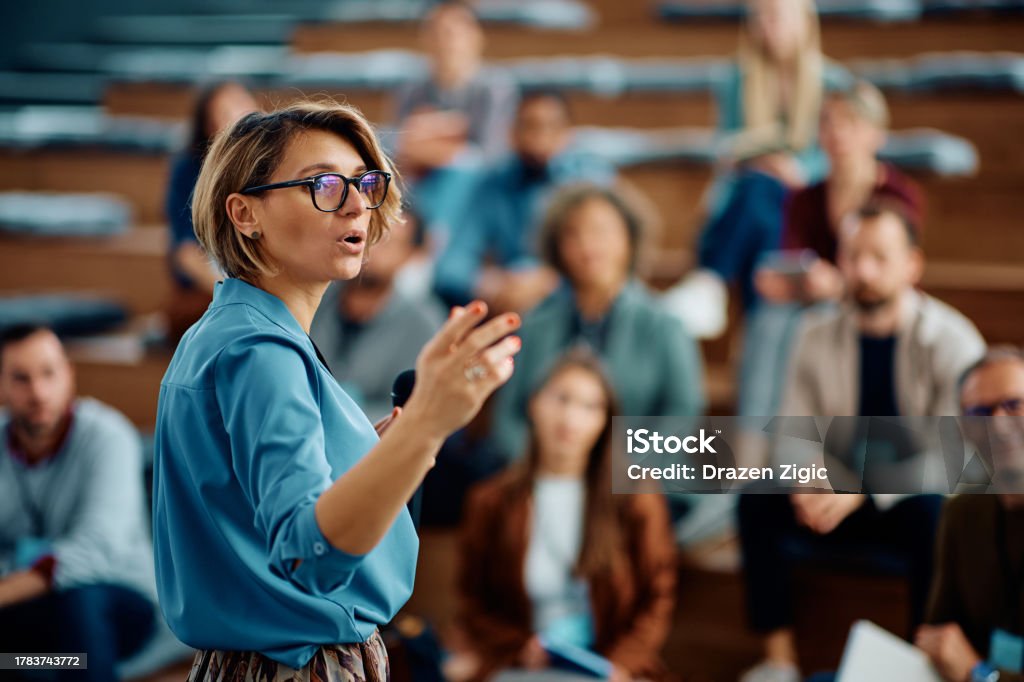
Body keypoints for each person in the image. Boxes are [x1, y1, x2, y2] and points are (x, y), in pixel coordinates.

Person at [152, 101, 523, 680]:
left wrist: (395, 445)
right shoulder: (260, 352)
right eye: (323, 184)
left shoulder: (234, 330)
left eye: (364, 182)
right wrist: (426, 422)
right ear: (245, 212)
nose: (356, 204)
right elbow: (310, 555)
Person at [736, 200, 987, 682]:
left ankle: (922, 664)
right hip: (831, 498)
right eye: (853, 256)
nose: (864, 270)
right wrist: (812, 474)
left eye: (880, 256)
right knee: (756, 496)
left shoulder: (951, 339)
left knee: (937, 513)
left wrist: (866, 485)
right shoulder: (813, 332)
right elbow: (789, 431)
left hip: (906, 502)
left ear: (912, 264)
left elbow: (960, 454)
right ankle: (779, 659)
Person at [457, 350, 676, 682]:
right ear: (534, 403)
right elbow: (474, 602)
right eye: (561, 399)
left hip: (610, 668)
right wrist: (518, 648)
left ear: (605, 420)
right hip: (523, 665)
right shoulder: (492, 501)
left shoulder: (635, 497)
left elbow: (656, 597)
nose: (571, 417)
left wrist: (622, 665)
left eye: (590, 407)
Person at [740, 81, 924, 416]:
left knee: (812, 323)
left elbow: (898, 274)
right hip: (812, 300)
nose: (837, 132)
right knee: (768, 319)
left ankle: (802, 438)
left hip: (867, 299)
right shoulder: (806, 197)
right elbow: (793, 257)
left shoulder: (899, 196)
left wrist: (839, 284)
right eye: (827, 121)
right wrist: (780, 279)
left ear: (876, 134)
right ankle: (754, 444)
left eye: (850, 122)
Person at [491, 183, 705, 463]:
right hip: (541, 481)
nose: (587, 245)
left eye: (600, 231)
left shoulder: (664, 324)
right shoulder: (534, 325)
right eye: (572, 233)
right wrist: (541, 469)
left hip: (636, 484)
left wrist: (618, 475)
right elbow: (507, 418)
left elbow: (683, 413)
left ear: (629, 238)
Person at [0, 324, 157, 682]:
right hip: (33, 606)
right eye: (21, 378)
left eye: (48, 374)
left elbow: (96, 550)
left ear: (69, 374)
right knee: (19, 661)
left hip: (115, 599)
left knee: (79, 599)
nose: (38, 392)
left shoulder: (109, 436)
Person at [696, 0, 851, 311]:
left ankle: (713, 280)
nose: (768, 26)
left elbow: (838, 152)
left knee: (765, 203)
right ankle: (754, 303)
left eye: (777, 17)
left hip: (806, 196)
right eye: (760, 18)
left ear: (804, 21)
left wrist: (797, 170)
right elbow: (725, 148)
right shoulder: (735, 80)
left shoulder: (832, 83)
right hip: (750, 191)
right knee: (762, 196)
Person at [433, 90, 615, 312]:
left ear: (568, 134)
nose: (539, 137)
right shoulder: (493, 184)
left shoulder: (588, 182)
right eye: (528, 126)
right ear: (511, 132)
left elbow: (607, 258)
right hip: (507, 301)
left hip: (571, 301)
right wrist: (488, 283)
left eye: (551, 126)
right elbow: (451, 266)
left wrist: (548, 280)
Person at [916, 347, 1024, 682]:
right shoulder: (962, 513)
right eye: (979, 413)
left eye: (1014, 405)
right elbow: (939, 634)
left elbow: (966, 666)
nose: (999, 427)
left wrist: (979, 674)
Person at [394, 1, 519, 237]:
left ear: (476, 37)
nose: (445, 42)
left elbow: (490, 156)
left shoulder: (494, 88)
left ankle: (434, 243)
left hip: (477, 188)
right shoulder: (411, 89)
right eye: (436, 32)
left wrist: (432, 144)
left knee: (463, 171)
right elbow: (401, 149)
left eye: (453, 33)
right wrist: (450, 136)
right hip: (421, 182)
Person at [310, 210, 444, 422]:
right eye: (369, 235)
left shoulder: (422, 323)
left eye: (389, 242)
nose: (373, 249)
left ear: (410, 255)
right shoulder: (314, 296)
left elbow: (410, 409)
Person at [164, 81, 259, 342]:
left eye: (242, 104)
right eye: (226, 111)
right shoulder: (189, 171)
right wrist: (236, 292)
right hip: (213, 288)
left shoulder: (268, 163)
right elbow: (186, 254)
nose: (240, 116)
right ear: (208, 128)